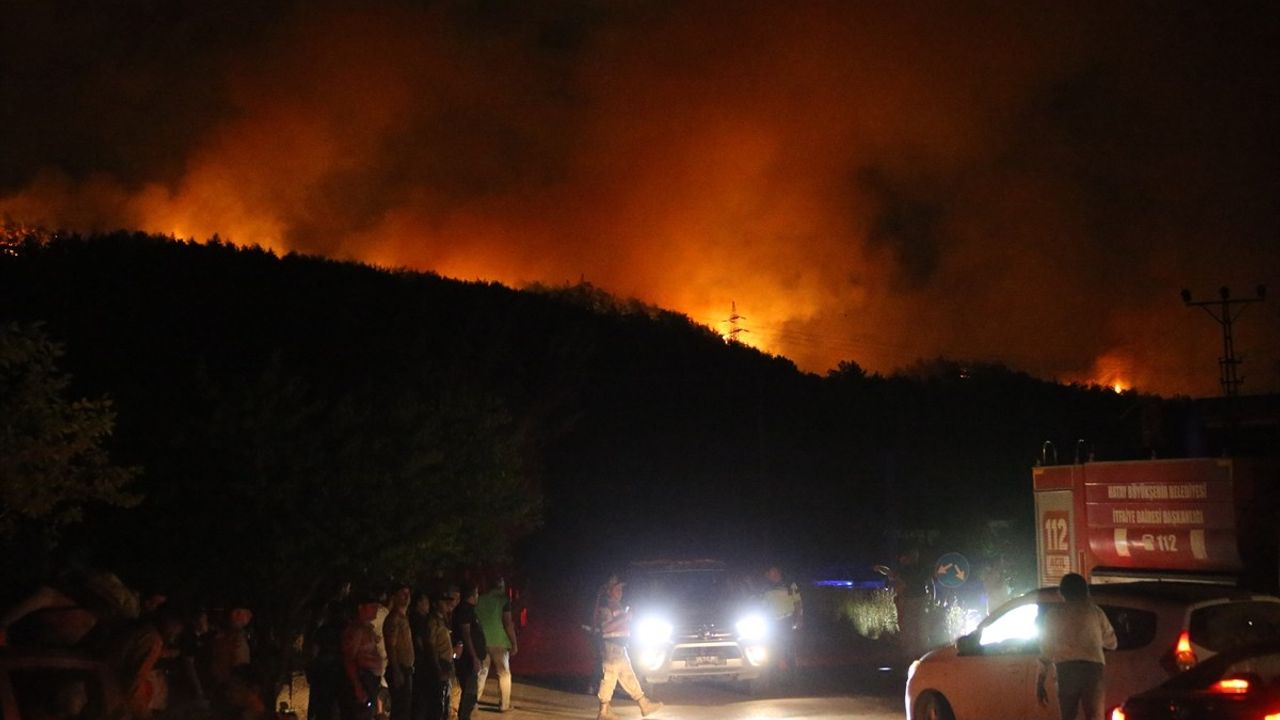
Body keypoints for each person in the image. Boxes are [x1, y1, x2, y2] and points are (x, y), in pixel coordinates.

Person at [1036, 573, 1117, 720]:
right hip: (1093, 669)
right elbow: (1112, 643)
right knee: (1095, 716)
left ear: (1062, 593)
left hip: (1065, 669)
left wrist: (1040, 681)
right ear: (1085, 591)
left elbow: (1046, 649)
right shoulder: (1095, 612)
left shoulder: (1053, 615)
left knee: (1068, 716)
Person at [594, 576, 662, 720]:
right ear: (609, 591)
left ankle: (643, 704)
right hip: (612, 648)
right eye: (617, 589)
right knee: (610, 677)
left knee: (627, 676)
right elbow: (605, 627)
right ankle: (604, 712)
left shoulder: (615, 605)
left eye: (621, 589)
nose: (621, 592)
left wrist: (625, 616)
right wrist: (626, 617)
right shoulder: (607, 607)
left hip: (619, 647)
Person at [474, 579, 518, 712]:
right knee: (503, 673)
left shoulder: (479, 599)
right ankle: (504, 705)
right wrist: (514, 643)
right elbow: (507, 623)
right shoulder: (504, 600)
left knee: (481, 673)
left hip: (481, 640)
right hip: (499, 642)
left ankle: (473, 702)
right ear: (501, 587)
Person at [342, 595, 385, 720]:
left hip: (371, 680)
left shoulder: (367, 628)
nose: (376, 609)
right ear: (361, 608)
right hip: (364, 679)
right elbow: (349, 658)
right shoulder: (356, 630)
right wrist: (358, 686)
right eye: (372, 606)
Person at [414, 592, 454, 720]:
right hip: (438, 665)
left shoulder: (443, 620)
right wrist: (437, 668)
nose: (447, 604)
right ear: (436, 604)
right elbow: (430, 646)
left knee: (443, 703)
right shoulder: (432, 621)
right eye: (443, 601)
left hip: (445, 664)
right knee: (435, 705)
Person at [760, 565, 803, 679]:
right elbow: (763, 605)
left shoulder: (790, 585)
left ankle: (792, 675)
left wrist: (799, 619)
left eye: (774, 571)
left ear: (778, 572)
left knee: (788, 647)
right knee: (772, 649)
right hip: (771, 623)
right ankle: (774, 674)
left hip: (786, 621)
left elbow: (798, 602)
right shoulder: (765, 588)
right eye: (769, 572)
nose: (772, 574)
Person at [450, 586, 484, 720]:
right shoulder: (464, 611)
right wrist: (474, 657)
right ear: (473, 595)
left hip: (469, 658)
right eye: (476, 593)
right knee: (469, 693)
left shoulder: (468, 610)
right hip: (467, 660)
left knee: (470, 692)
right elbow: (466, 634)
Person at [382, 584, 415, 720]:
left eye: (408, 593)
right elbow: (391, 646)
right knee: (400, 710)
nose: (407, 597)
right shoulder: (394, 619)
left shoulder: (403, 618)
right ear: (394, 597)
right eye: (403, 593)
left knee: (404, 709)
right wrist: (396, 670)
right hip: (399, 668)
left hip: (405, 669)